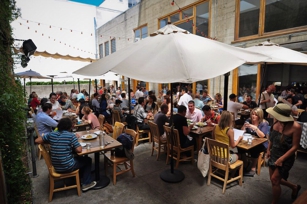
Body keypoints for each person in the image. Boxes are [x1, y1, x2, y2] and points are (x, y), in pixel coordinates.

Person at [35, 118, 96, 192]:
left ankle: (82, 175)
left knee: (78, 157)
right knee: (87, 160)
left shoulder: (51, 134)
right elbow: (79, 150)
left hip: (56, 166)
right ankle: (86, 183)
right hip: (67, 166)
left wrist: (49, 141)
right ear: (69, 127)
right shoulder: (71, 136)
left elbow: (37, 140)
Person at [266, 103, 302, 204]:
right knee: (275, 180)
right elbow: (272, 138)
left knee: (274, 180)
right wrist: (269, 149)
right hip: (274, 154)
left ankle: (275, 202)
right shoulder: (275, 121)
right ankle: (294, 187)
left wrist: (282, 159)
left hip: (286, 157)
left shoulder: (296, 127)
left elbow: (295, 146)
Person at [241, 108, 269, 176]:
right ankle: (245, 164)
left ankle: (253, 168)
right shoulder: (248, 120)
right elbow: (242, 131)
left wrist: (256, 128)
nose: (253, 116)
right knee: (240, 147)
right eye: (252, 114)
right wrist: (244, 127)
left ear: (259, 116)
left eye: (256, 115)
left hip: (261, 143)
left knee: (255, 149)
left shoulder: (263, 123)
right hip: (250, 141)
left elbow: (262, 135)